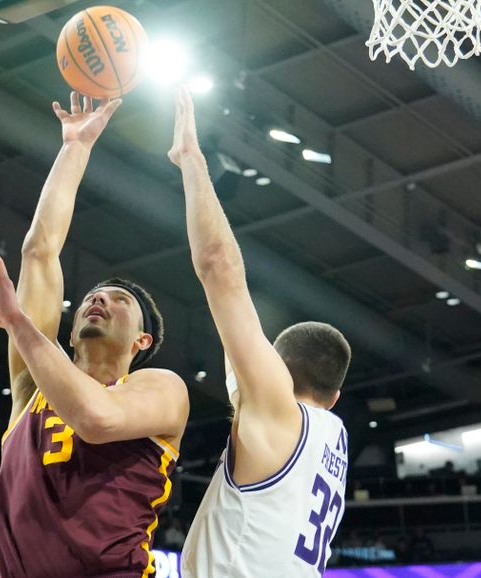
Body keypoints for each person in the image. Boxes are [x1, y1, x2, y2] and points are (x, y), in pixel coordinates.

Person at [0, 92, 189, 578]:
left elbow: (96, 418)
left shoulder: (162, 389)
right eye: (94, 296)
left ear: (142, 342)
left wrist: (19, 324)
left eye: (121, 301)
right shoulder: (32, 387)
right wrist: (76, 146)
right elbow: (39, 252)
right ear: (69, 335)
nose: (101, 300)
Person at [169, 86, 351, 577]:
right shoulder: (331, 437)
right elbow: (240, 375)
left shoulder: (276, 414)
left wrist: (191, 159)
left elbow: (217, 266)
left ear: (275, 369)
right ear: (334, 396)